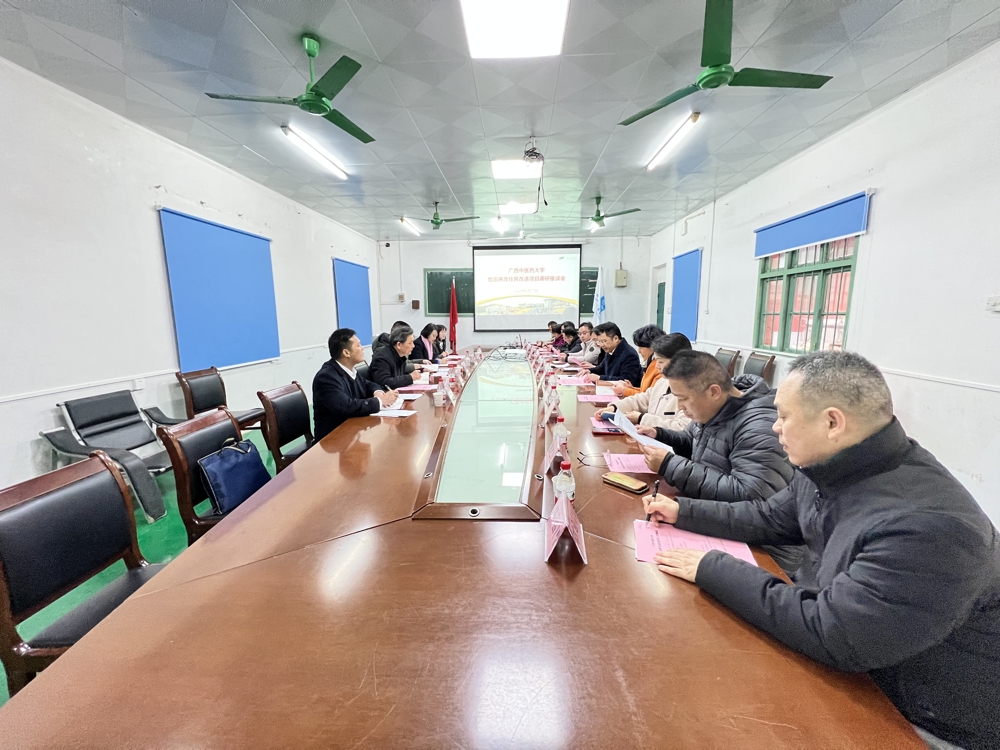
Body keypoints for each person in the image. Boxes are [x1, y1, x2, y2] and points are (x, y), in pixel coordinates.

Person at [643, 352, 1000, 750]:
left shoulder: (928, 528)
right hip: (859, 670)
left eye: (784, 416)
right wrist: (684, 512)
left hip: (919, 719)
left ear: (832, 422)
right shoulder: (831, 464)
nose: (775, 427)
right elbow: (770, 517)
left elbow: (833, 632)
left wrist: (712, 567)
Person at [638, 349, 799, 572]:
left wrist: (669, 465)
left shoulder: (759, 425)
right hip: (718, 519)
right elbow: (693, 441)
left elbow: (749, 495)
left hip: (763, 548)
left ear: (714, 391)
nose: (680, 407)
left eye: (683, 399)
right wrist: (660, 434)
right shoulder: (712, 409)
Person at [312, 328, 399, 440]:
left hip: (352, 431)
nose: (362, 348)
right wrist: (381, 401)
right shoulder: (326, 377)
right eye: (358, 345)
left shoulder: (350, 370)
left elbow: (368, 384)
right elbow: (345, 406)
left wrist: (378, 392)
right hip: (332, 438)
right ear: (346, 352)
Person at [601, 332, 691, 430]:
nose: (657, 366)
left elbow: (682, 428)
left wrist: (641, 418)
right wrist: (615, 407)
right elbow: (642, 399)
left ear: (679, 361)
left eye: (661, 362)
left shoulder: (692, 390)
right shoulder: (663, 382)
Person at [610, 324, 664, 397]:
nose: (639, 351)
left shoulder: (659, 367)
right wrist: (631, 388)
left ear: (652, 347)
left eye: (641, 347)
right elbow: (645, 391)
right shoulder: (652, 363)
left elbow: (651, 397)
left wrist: (624, 390)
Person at [583, 322, 642, 387]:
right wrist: (589, 371)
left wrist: (600, 378)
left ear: (615, 338)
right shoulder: (610, 349)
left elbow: (626, 380)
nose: (601, 345)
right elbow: (602, 368)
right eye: (599, 341)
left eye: (604, 341)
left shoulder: (629, 355)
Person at [369, 325, 425, 390]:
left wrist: (421, 370)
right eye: (410, 343)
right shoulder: (382, 359)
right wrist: (410, 378)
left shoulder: (399, 356)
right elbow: (384, 382)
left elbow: (400, 375)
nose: (413, 346)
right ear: (399, 345)